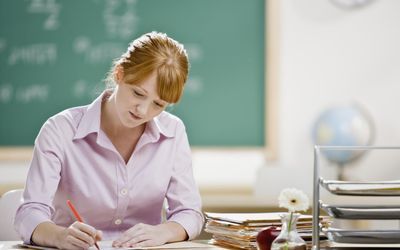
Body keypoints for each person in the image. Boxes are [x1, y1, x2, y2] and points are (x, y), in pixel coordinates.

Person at [14, 32, 204, 249]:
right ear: (119, 74)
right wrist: (59, 236)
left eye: (158, 104)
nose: (143, 110)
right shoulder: (60, 130)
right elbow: (29, 213)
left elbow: (190, 213)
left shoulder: (173, 131)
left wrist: (164, 231)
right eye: (138, 93)